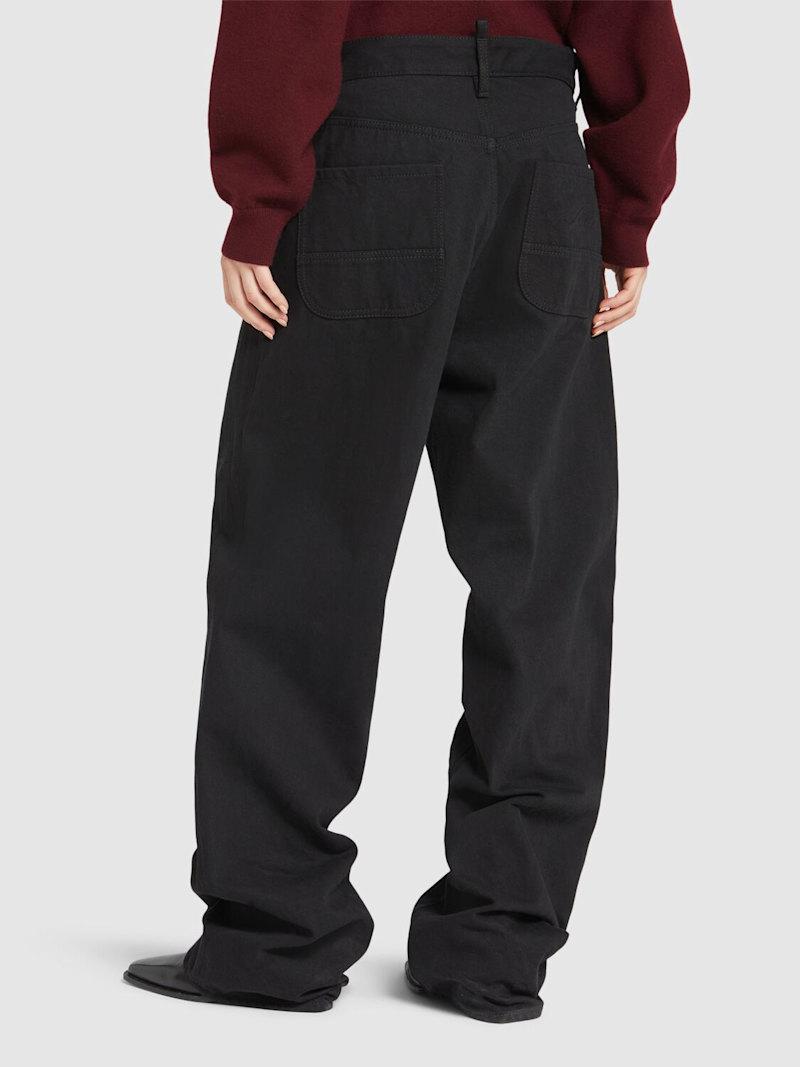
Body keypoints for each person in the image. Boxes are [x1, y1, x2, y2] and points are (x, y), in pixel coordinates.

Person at [124, 1, 689, 1023]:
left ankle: (272, 938)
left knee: (301, 549)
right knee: (543, 575)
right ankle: (497, 944)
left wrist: (259, 190)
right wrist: (626, 204)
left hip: (372, 153)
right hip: (541, 161)